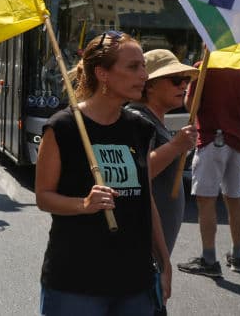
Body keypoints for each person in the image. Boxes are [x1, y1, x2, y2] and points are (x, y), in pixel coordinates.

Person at [35, 31, 171, 315]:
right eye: (133, 67)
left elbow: (146, 201)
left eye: (143, 66)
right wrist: (83, 204)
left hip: (135, 282)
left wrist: (164, 261)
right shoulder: (63, 127)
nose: (144, 75)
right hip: (75, 282)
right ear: (102, 74)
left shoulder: (141, 129)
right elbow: (44, 197)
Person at [177, 66, 240, 277]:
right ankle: (237, 255)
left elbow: (191, 105)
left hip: (211, 141)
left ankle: (209, 260)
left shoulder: (203, 68)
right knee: (234, 198)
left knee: (206, 200)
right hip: (238, 144)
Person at [126, 49, 198, 254]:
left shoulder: (153, 120)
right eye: (176, 80)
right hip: (143, 242)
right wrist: (176, 146)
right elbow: (136, 173)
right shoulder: (137, 119)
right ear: (150, 85)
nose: (183, 85)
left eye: (185, 80)